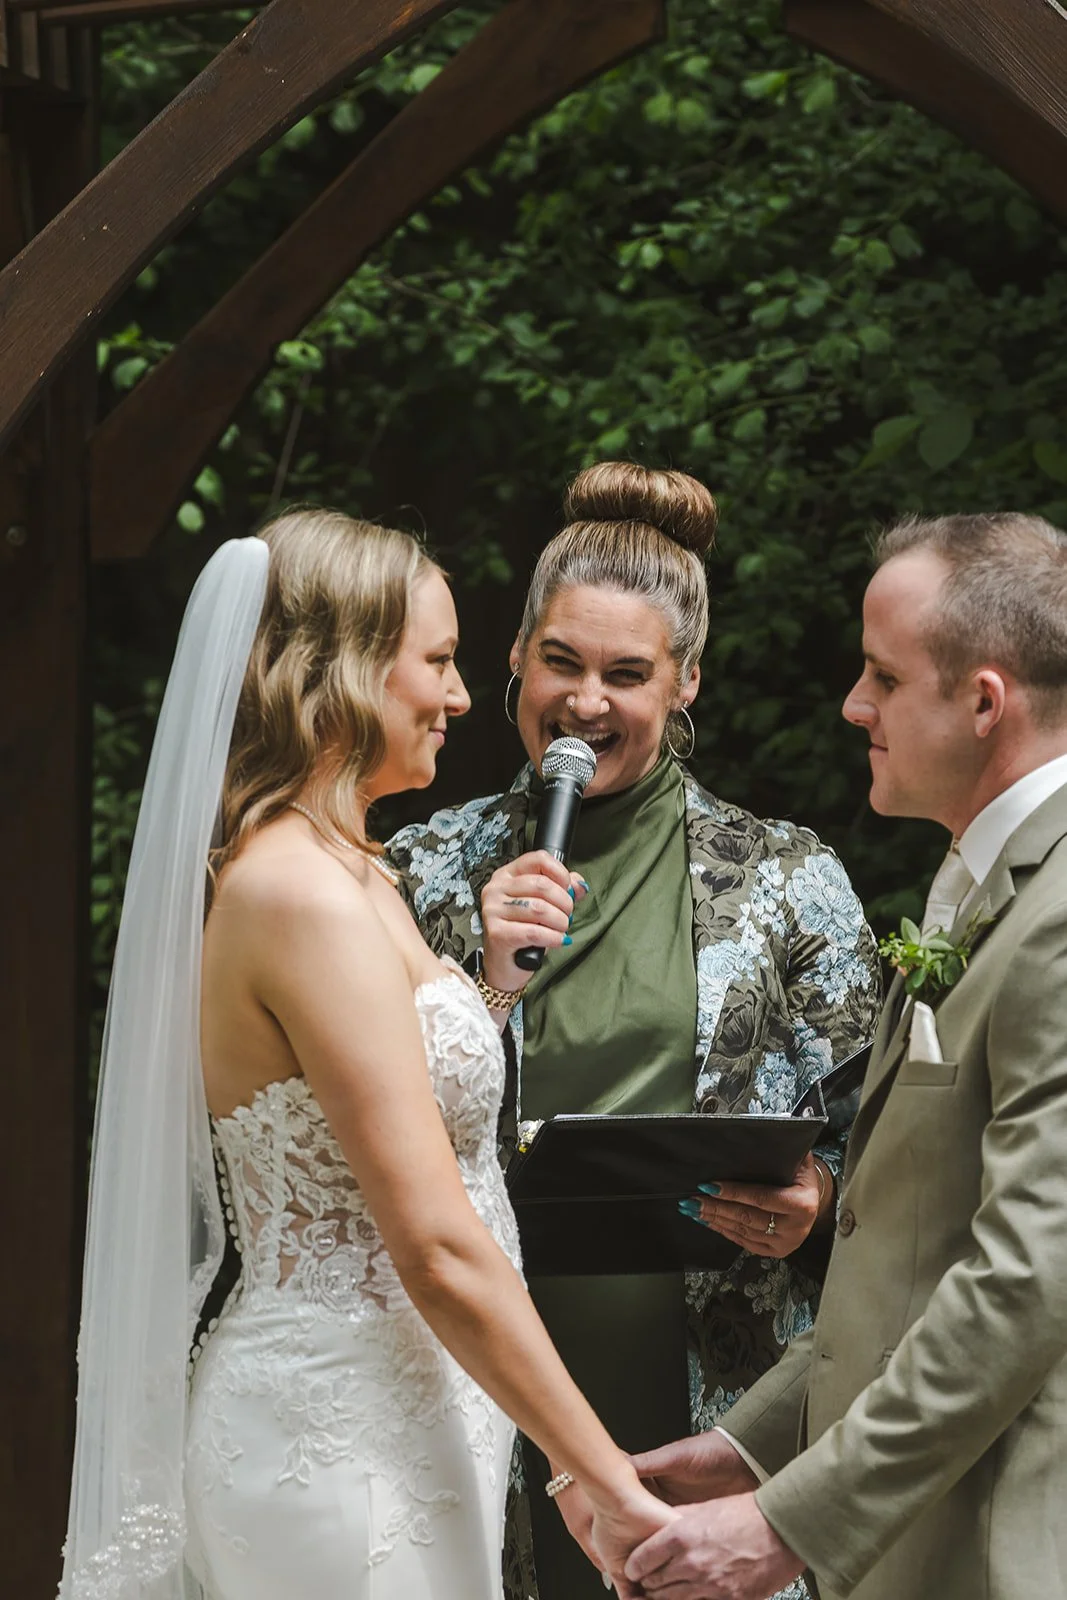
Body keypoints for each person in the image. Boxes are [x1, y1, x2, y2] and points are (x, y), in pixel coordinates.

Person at [58, 509, 676, 1600]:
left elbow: (389, 1113)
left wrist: (486, 987)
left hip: (411, 1418)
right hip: (332, 1439)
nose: (454, 695)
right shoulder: (297, 894)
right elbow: (432, 1239)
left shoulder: (352, 869)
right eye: (435, 661)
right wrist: (600, 1471)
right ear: (340, 670)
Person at [387, 463, 881, 1600]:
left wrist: (809, 1209)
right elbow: (349, 1131)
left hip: (713, 1382)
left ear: (685, 680)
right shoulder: (418, 870)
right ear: (512, 656)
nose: (585, 703)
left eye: (626, 673)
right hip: (475, 1385)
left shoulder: (783, 877)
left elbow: (881, 1159)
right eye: (559, 661)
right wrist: (480, 972)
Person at [625, 511, 1067, 1600]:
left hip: (999, 1546)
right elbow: (909, 1250)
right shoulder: (983, 886)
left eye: (880, 675)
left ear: (980, 701)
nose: (851, 705)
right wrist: (754, 1444)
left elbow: (1023, 1283)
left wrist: (790, 1522)